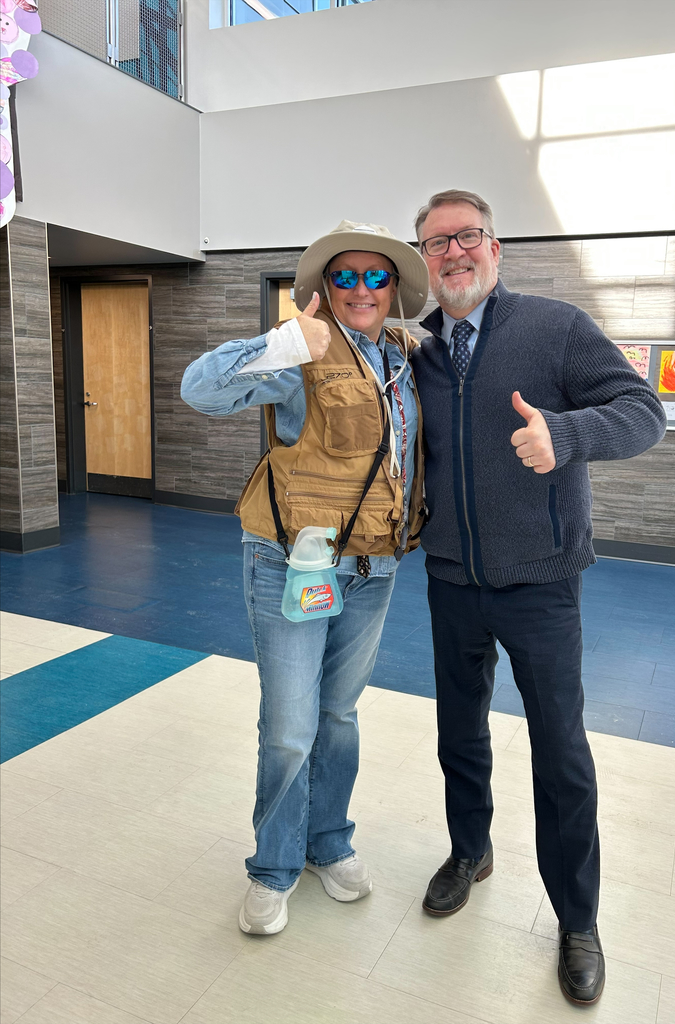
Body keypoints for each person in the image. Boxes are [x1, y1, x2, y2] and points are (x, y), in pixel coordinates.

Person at [410, 190, 666, 1005]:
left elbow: (643, 411)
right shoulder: (417, 351)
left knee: (561, 753)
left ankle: (577, 919)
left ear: (495, 245)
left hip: (544, 583)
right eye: (435, 243)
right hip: (451, 577)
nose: (452, 253)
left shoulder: (555, 328)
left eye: (466, 236)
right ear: (424, 260)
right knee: (460, 731)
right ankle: (469, 850)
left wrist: (568, 435)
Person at [181, 221, 429, 935]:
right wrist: (286, 341)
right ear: (323, 289)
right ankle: (273, 866)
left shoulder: (408, 358)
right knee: (290, 726)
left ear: (392, 290)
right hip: (290, 562)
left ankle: (329, 842)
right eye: (343, 276)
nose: (359, 289)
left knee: (339, 716)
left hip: (375, 567)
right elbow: (200, 389)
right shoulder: (300, 353)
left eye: (374, 277)